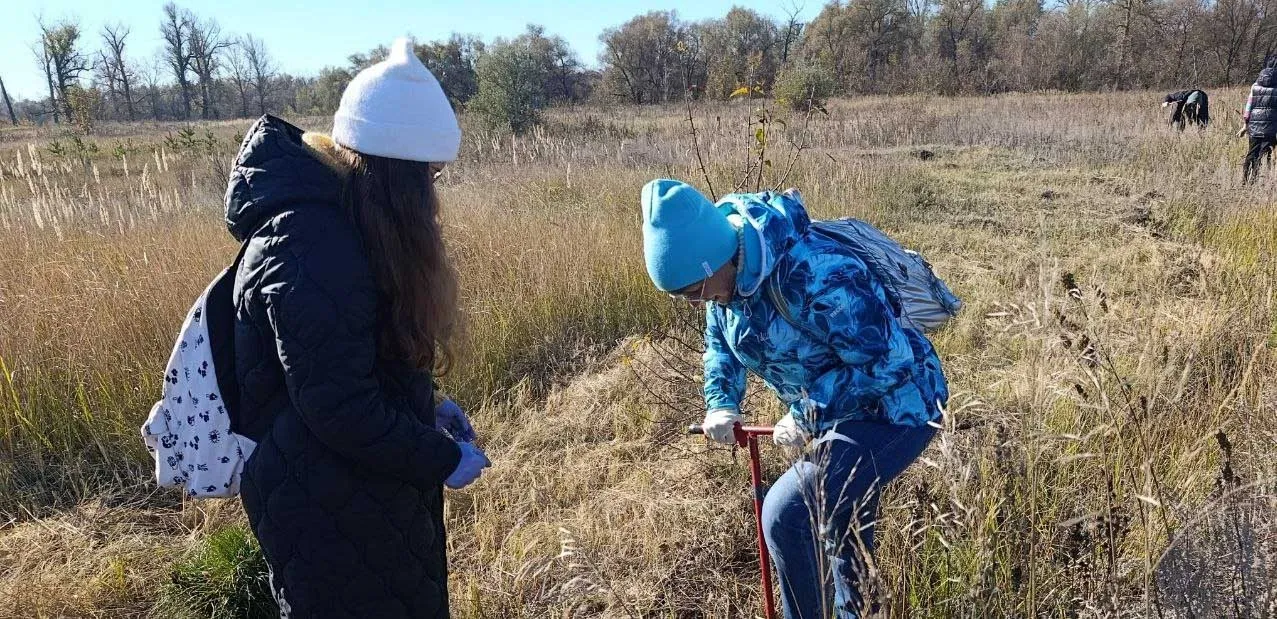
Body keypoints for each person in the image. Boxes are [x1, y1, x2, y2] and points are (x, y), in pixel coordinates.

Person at [225, 38, 490, 618]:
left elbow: (352, 356)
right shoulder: (310, 243)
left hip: (357, 496)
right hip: (323, 507)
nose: (434, 191)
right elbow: (338, 406)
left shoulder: (342, 221)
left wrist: (427, 407)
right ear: (396, 175)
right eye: (430, 176)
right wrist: (438, 457)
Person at [639, 180, 948, 618]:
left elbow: (890, 360)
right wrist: (721, 400)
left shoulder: (816, 273)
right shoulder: (722, 279)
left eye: (693, 292)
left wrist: (807, 411)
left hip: (898, 409)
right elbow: (720, 341)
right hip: (840, 414)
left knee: (786, 516)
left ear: (715, 261)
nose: (695, 304)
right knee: (843, 525)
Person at [1239, 61, 1277, 184]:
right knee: (1265, 154)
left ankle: (1245, 180)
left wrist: (1245, 125)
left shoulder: (1255, 85)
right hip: (1272, 126)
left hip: (1254, 124)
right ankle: (1258, 181)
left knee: (1252, 153)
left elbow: (1249, 106)